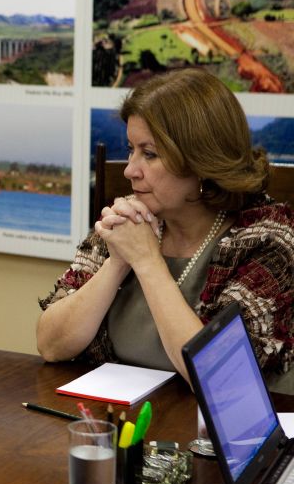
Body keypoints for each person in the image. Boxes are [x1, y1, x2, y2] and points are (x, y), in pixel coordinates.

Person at [36, 68, 294, 389]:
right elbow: (51, 345)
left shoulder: (268, 237)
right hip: (127, 422)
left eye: (150, 154)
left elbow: (224, 379)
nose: (131, 170)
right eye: (131, 150)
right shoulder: (131, 218)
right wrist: (117, 263)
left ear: (201, 161)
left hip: (214, 433)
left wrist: (146, 261)